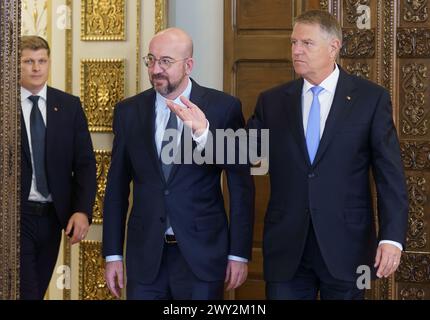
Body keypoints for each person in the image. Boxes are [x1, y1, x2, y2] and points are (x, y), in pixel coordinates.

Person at [247, 10, 409, 299]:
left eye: (306, 44)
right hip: (287, 252)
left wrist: (392, 238)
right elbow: (246, 153)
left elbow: (390, 176)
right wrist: (202, 130)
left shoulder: (370, 99)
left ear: (333, 47)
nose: (296, 50)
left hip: (349, 249)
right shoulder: (272, 101)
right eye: (294, 43)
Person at [103, 28, 254, 300]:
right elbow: (116, 188)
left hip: (202, 255)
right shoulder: (128, 111)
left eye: (165, 61)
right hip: (146, 258)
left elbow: (241, 186)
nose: (155, 69)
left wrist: (239, 253)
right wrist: (112, 254)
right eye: (151, 60)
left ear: (189, 65)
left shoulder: (223, 108)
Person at [20, 35, 96, 300]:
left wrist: (82, 210)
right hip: (17, 217)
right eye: (28, 61)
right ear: (16, 65)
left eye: (42, 61)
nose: (36, 68)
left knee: (36, 289)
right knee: (26, 291)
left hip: (53, 217)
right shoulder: (5, 106)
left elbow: (85, 163)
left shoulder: (68, 106)